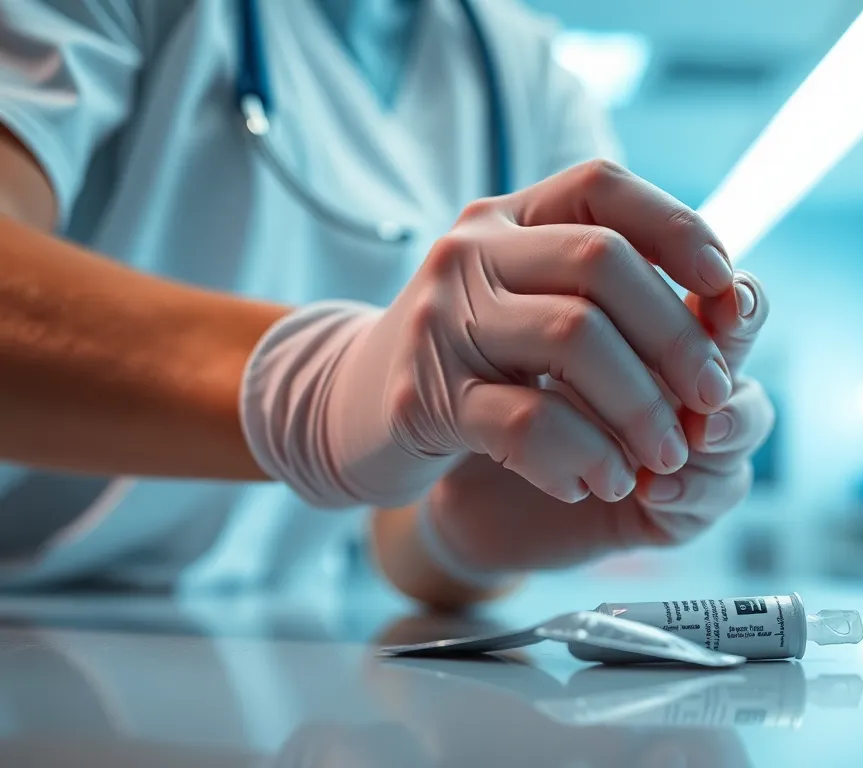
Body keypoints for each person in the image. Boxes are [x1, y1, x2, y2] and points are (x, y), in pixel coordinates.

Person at [0, 0, 774, 607]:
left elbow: (390, 538)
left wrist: (465, 532)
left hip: (269, 653)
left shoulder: (530, 82)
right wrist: (315, 389)